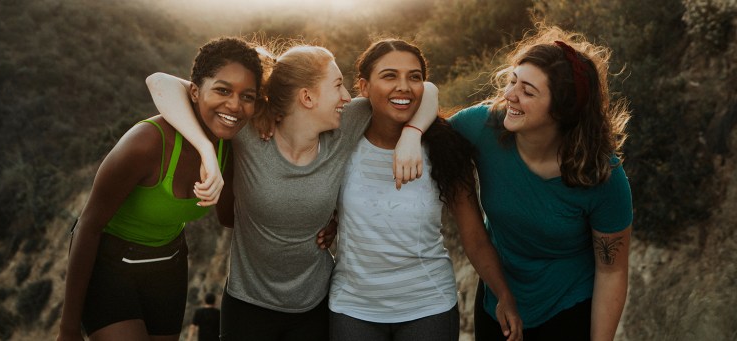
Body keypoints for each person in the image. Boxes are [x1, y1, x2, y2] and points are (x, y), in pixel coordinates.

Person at [146, 43, 437, 341]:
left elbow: (426, 90)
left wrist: (412, 136)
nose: (347, 97)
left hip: (315, 305)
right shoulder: (249, 129)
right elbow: (159, 82)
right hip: (248, 304)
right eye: (338, 86)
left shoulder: (346, 123)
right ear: (307, 97)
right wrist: (206, 150)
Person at [56, 37, 266, 341]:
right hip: (111, 265)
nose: (234, 105)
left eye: (247, 96)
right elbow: (87, 226)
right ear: (194, 91)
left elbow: (228, 217)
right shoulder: (146, 143)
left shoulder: (230, 148)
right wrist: (68, 328)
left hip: (169, 267)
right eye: (222, 90)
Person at [328, 38, 522, 341]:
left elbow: (474, 237)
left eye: (414, 77)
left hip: (428, 304)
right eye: (389, 75)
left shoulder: (445, 147)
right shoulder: (341, 138)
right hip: (352, 306)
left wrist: (504, 295)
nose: (403, 86)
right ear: (364, 87)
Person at [448, 25, 633, 341]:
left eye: (527, 91)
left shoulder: (601, 174)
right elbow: (421, 110)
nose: (509, 96)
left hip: (568, 308)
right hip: (498, 299)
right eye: (512, 81)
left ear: (562, 110)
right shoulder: (483, 126)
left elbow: (611, 270)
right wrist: (412, 137)